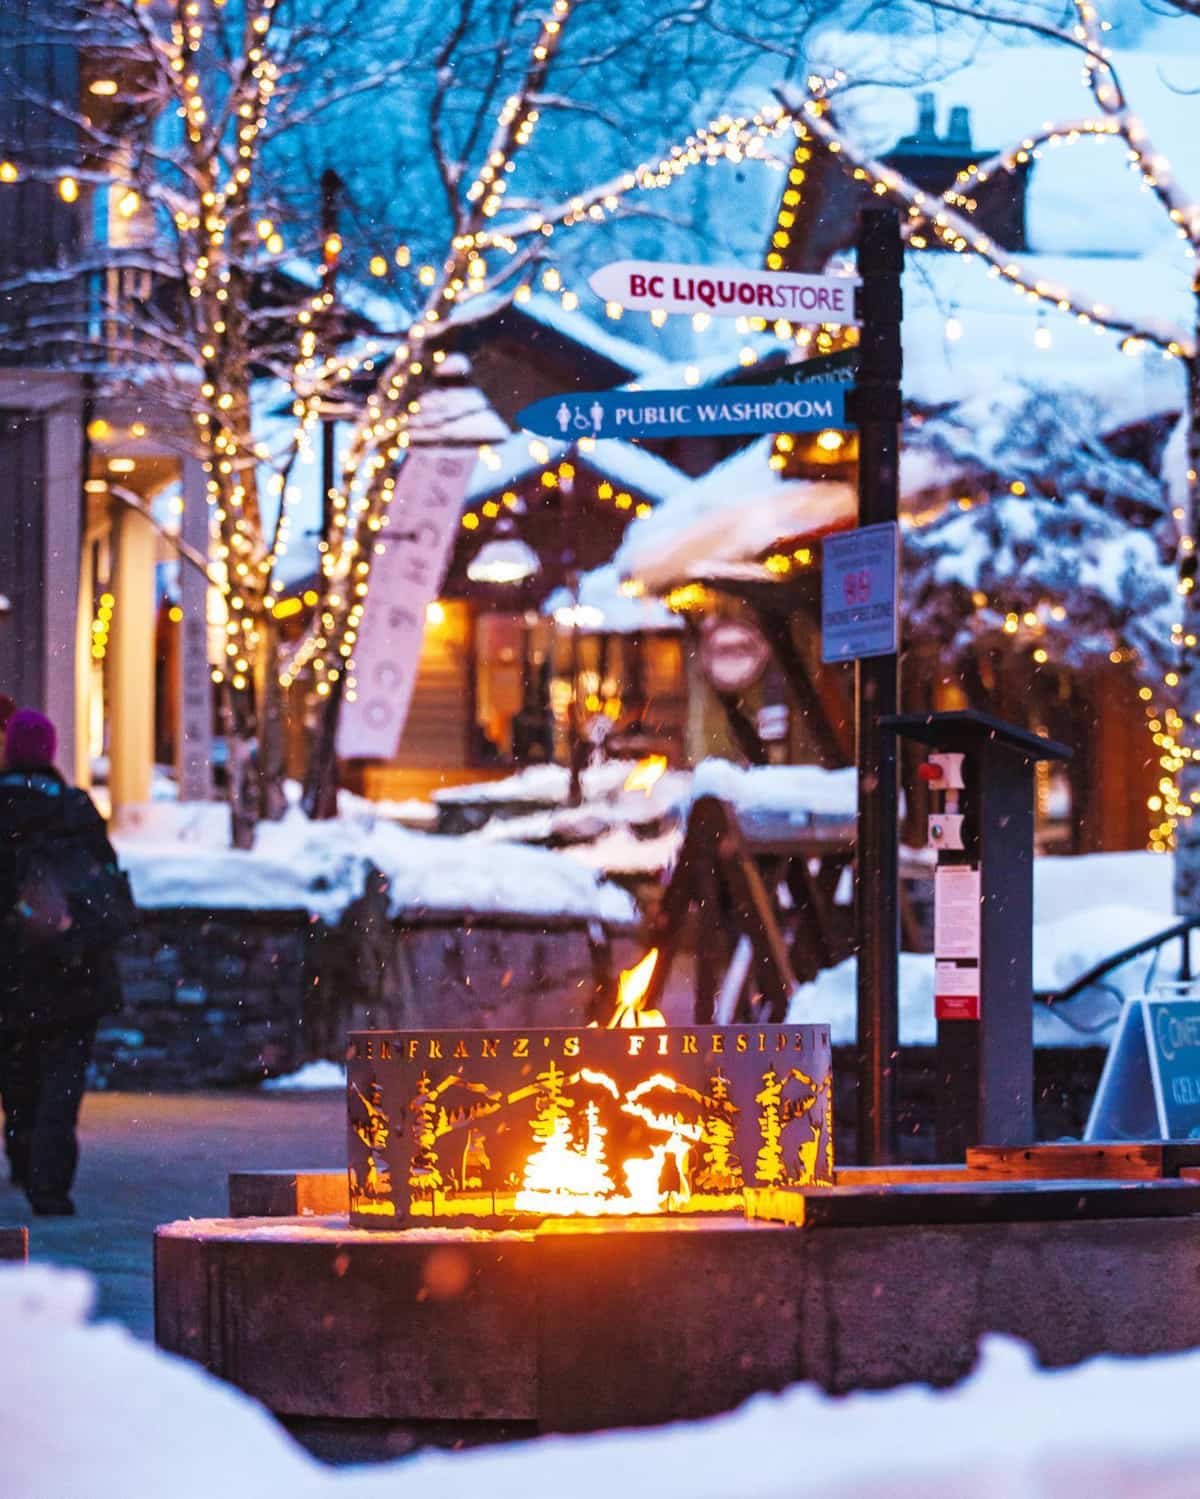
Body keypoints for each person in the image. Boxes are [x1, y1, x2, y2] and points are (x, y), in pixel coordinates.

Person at [0, 710, 128, 1215]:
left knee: (17, 1077)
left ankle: (23, 1154)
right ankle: (50, 1186)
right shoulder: (74, 809)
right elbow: (107, 881)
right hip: (74, 972)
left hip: (8, 973)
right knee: (62, 1081)